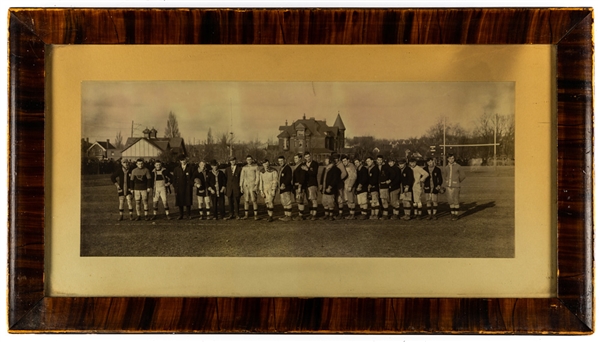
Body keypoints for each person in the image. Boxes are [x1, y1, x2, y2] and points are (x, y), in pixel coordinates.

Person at [443, 154, 466, 220]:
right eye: (450, 158)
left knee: (456, 200)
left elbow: (463, 175)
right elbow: (445, 176)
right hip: (448, 186)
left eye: (452, 158)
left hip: (456, 186)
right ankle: (452, 214)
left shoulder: (458, 166)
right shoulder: (446, 167)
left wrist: (457, 181)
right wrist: (447, 182)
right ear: (447, 159)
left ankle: (456, 215)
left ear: (454, 159)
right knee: (450, 201)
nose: (451, 160)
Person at [172, 154, 195, 219]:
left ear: (186, 160)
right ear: (180, 161)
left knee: (188, 201)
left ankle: (188, 214)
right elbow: (174, 178)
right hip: (179, 187)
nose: (183, 161)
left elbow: (193, 177)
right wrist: (175, 186)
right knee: (180, 201)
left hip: (187, 187)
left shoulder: (190, 168)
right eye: (181, 160)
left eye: (184, 160)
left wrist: (191, 184)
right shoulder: (176, 169)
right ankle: (181, 214)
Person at [319, 156, 341, 220]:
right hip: (324, 188)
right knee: (324, 201)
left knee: (330, 202)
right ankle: (326, 214)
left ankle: (331, 215)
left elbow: (335, 179)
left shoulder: (335, 169)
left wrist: (330, 187)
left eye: (326, 160)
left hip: (330, 188)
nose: (325, 161)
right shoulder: (325, 168)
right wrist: (321, 184)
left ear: (330, 161)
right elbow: (322, 177)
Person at [239, 155, 260, 220]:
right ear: (246, 160)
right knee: (246, 200)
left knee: (254, 200)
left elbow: (258, 177)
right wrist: (241, 186)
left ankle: (255, 215)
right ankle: (246, 215)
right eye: (248, 160)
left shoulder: (256, 167)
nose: (249, 161)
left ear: (252, 160)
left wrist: (256, 185)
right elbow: (241, 177)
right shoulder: (244, 168)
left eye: (250, 159)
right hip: (246, 186)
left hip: (253, 186)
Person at [303, 152, 320, 220]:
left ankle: (314, 214)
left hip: (312, 184)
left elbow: (314, 173)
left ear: (311, 156)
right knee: (309, 199)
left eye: (308, 157)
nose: (308, 158)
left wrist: (307, 169)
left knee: (313, 199)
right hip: (306, 184)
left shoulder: (315, 164)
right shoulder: (304, 164)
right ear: (304, 158)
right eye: (306, 157)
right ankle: (311, 213)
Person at [331, 153, 348, 219]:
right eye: (334, 158)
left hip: (339, 184)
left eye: (336, 158)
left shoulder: (340, 165)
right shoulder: (335, 165)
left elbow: (344, 173)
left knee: (339, 198)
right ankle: (338, 212)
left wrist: (338, 179)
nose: (335, 160)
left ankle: (341, 213)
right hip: (336, 184)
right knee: (336, 198)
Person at [277, 156, 294, 221]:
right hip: (281, 188)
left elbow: (289, 178)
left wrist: (284, 184)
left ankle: (289, 216)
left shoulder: (288, 168)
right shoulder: (281, 168)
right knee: (284, 202)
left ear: (284, 160)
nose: (280, 162)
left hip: (286, 188)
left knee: (287, 201)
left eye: (281, 161)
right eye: (279, 161)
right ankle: (286, 215)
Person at [341, 155, 357, 219]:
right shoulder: (344, 167)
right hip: (345, 185)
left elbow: (354, 176)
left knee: (351, 200)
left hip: (350, 185)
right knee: (347, 200)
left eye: (345, 160)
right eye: (343, 161)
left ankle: (352, 214)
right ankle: (350, 213)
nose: (344, 162)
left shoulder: (351, 166)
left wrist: (351, 185)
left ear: (348, 160)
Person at [292, 153, 307, 220]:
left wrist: (300, 186)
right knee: (298, 200)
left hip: (300, 186)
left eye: (296, 158)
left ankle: (301, 215)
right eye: (294, 158)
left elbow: (302, 177)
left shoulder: (302, 166)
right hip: (296, 186)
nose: (295, 160)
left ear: (300, 158)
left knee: (300, 200)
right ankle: (300, 214)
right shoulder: (296, 166)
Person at [376, 155, 392, 220]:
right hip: (378, 186)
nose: (379, 161)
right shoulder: (376, 167)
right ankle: (381, 213)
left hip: (384, 186)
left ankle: (386, 214)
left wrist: (389, 180)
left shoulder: (386, 167)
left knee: (384, 200)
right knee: (379, 200)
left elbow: (393, 174)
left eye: (380, 160)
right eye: (378, 160)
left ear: (382, 160)